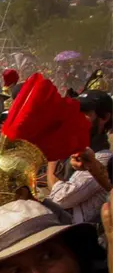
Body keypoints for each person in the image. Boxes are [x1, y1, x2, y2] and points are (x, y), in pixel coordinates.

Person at [47, 91, 113, 225]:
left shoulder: (104, 158)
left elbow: (60, 198)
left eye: (85, 113)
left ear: (104, 117)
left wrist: (52, 161)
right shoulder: (74, 149)